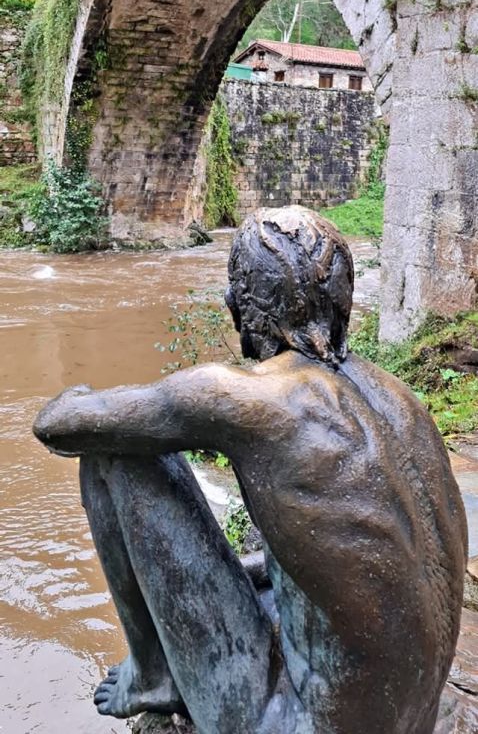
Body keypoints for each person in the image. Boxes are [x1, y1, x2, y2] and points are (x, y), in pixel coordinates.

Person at [34, 206, 467, 734]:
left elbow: (59, 424)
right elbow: (356, 556)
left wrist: (84, 394)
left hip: (297, 723)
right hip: (412, 712)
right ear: (345, 301)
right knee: (267, 578)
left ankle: (152, 675)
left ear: (237, 307)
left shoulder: (247, 395)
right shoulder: (401, 402)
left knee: (115, 452)